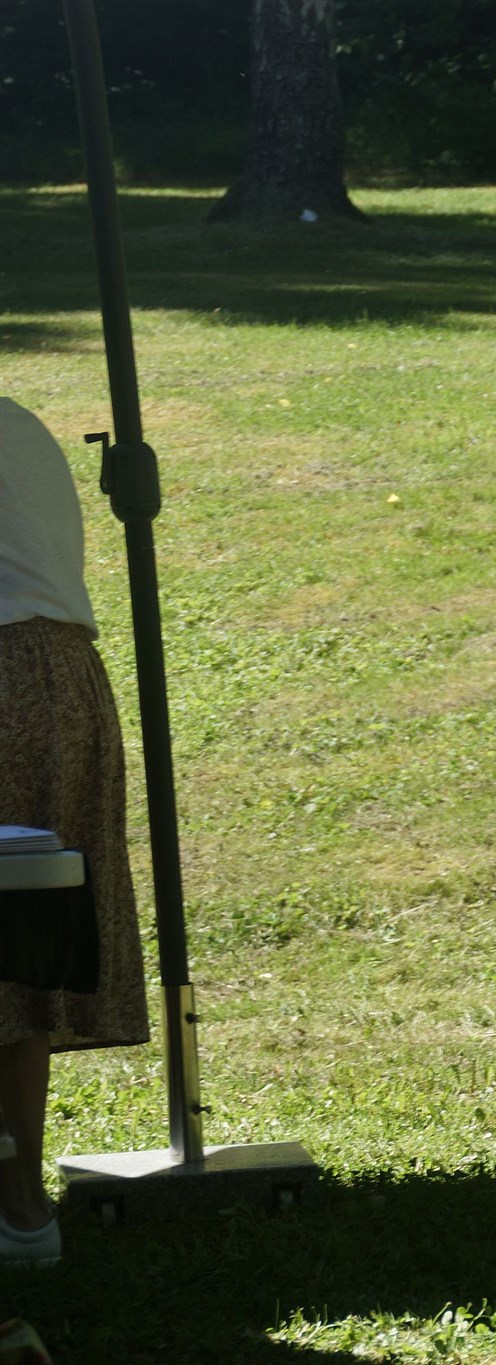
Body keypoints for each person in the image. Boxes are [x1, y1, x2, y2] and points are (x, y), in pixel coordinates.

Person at [0, 398, 151, 1267]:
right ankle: (21, 1208)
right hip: (61, 681)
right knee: (19, 947)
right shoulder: (17, 422)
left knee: (14, 946)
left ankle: (16, 1197)